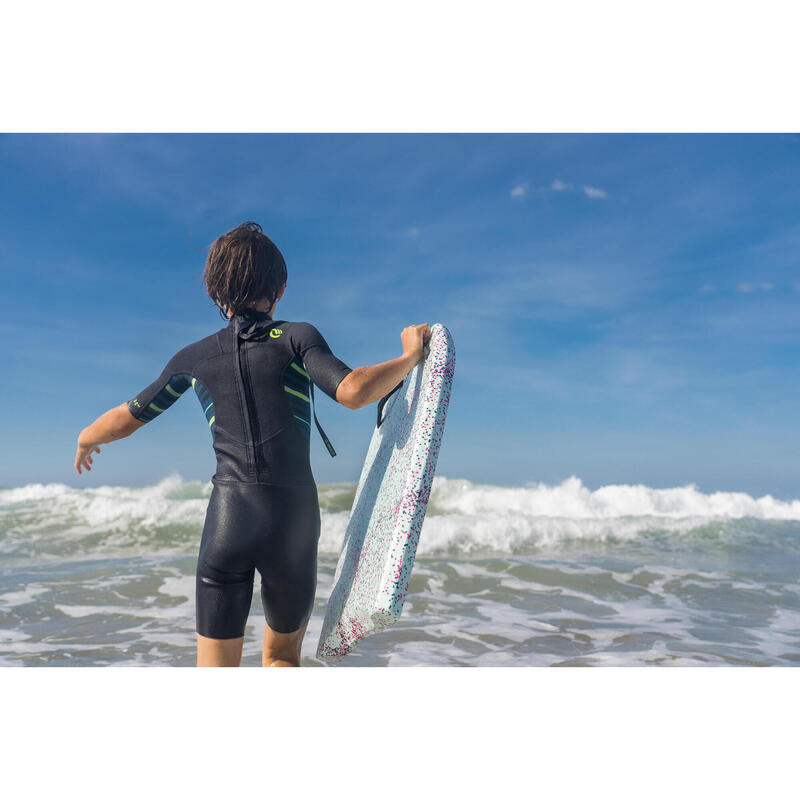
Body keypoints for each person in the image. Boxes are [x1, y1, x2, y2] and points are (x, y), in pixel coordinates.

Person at [74, 221, 430, 667]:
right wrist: (409, 357)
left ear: (213, 290)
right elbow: (354, 391)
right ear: (280, 288)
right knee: (281, 659)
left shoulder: (194, 357)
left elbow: (129, 418)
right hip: (292, 521)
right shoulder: (297, 337)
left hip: (228, 521)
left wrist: (86, 438)